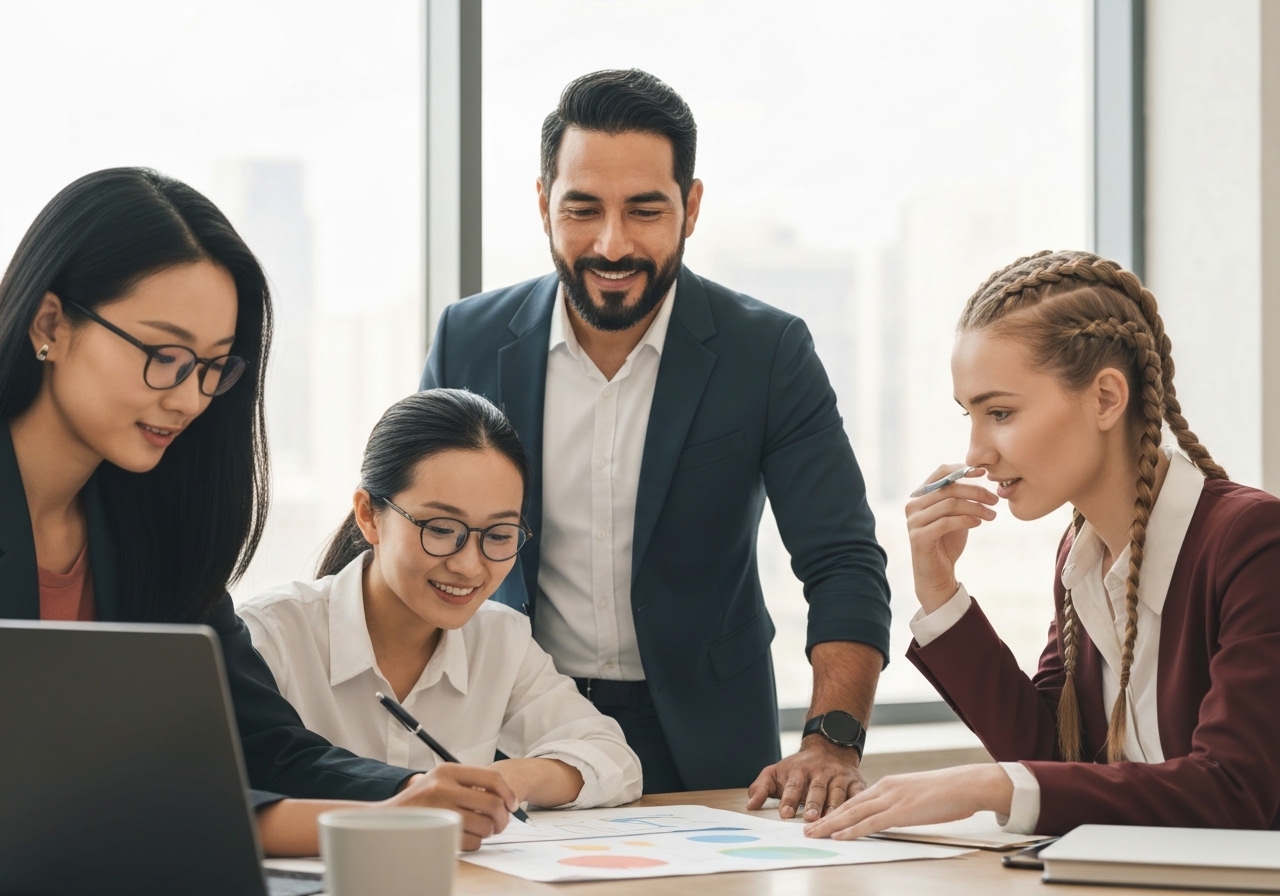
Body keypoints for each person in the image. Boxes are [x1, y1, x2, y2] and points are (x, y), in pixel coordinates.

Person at [0, 168, 527, 857]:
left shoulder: (157, 535)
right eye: (165, 356)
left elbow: (265, 746)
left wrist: (415, 793)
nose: (190, 399)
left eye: (212, 367)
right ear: (50, 325)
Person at [420, 68, 891, 821]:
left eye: (644, 210)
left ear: (691, 208)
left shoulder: (767, 351)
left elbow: (841, 559)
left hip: (708, 741)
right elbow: (414, 533)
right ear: (544, 205)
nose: (613, 244)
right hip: (518, 729)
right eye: (583, 210)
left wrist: (832, 740)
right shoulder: (469, 340)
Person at [806, 250, 1280, 841]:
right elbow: (1054, 753)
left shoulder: (1254, 543)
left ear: (1107, 398)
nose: (976, 451)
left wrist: (984, 785)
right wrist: (940, 592)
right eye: (969, 416)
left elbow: (1236, 793)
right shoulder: (1079, 556)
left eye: (1000, 412)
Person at [240, 389, 643, 847]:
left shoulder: (500, 637)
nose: (469, 566)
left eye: (498, 534)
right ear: (369, 516)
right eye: (441, 529)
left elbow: (614, 758)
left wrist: (508, 779)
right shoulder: (270, 635)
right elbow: (221, 797)